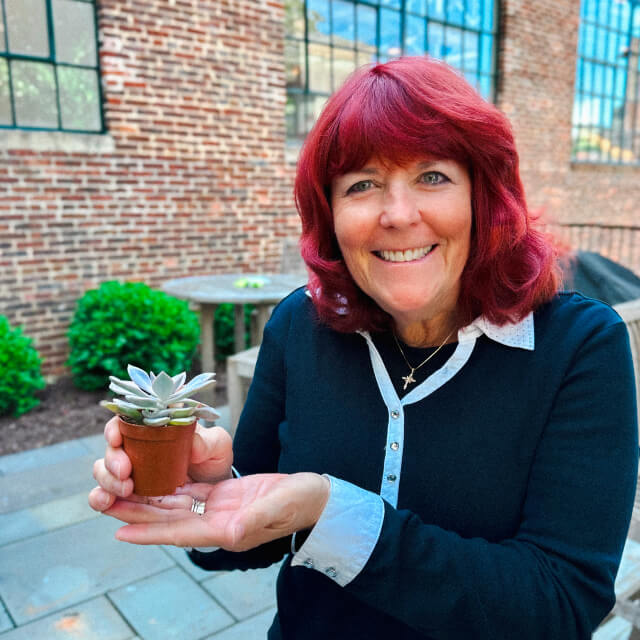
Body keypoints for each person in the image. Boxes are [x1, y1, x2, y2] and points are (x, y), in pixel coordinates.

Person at [89, 56, 638, 639]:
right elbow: (232, 546)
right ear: (331, 214)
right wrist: (196, 494)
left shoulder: (579, 348)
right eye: (363, 184)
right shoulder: (299, 326)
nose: (398, 215)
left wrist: (332, 515)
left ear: (484, 195)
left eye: (433, 176)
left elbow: (559, 605)